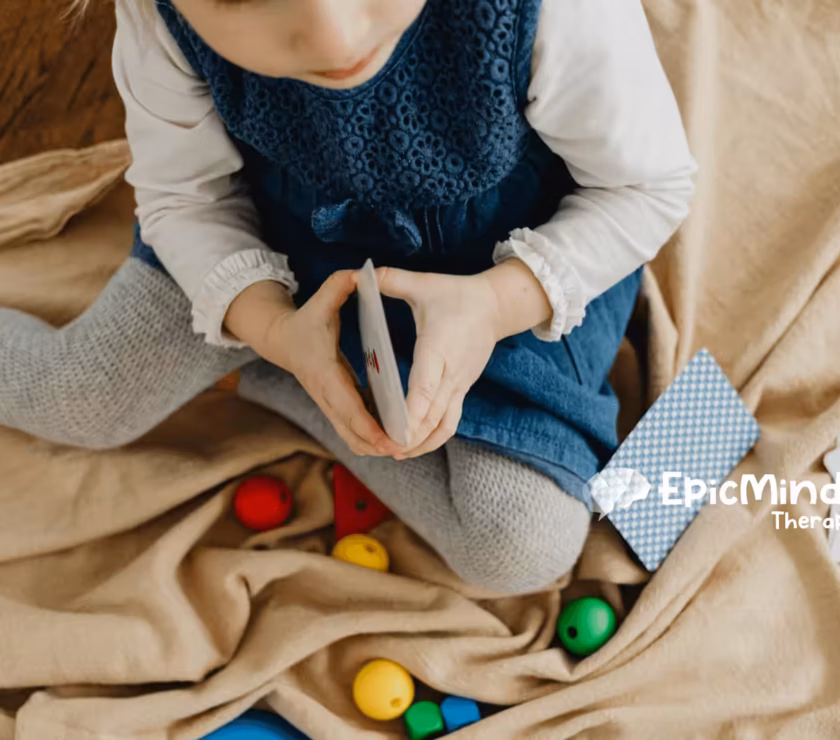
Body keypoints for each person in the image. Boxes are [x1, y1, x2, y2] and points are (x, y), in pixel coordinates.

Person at [0, 0, 696, 593]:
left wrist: (494, 304)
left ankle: (270, 382)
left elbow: (648, 188)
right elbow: (186, 201)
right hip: (268, 242)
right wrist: (268, 324)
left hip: (510, 266)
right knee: (79, 397)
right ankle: (280, 365)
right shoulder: (161, 18)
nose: (335, 38)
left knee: (519, 550)